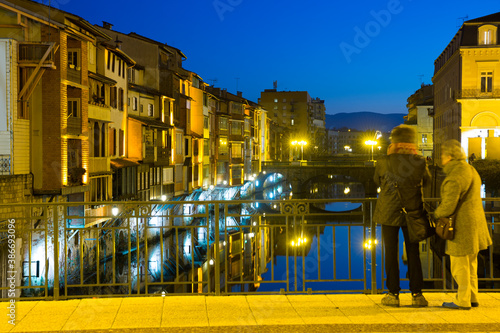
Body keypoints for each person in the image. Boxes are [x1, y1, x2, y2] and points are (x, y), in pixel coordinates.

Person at [373, 125, 430, 307]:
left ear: (394, 141)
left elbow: (376, 180)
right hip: (412, 211)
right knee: (413, 252)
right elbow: (427, 181)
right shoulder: (420, 161)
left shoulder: (384, 161)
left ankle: (392, 294)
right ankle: (417, 294)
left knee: (390, 252)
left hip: (388, 212)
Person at [435, 140, 492, 310]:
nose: (441, 158)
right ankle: (473, 297)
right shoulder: (470, 169)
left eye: (443, 154)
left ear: (450, 156)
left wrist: (436, 214)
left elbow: (448, 206)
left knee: (459, 265)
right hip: (475, 222)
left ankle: (462, 300)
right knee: (471, 263)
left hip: (461, 226)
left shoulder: (455, 175)